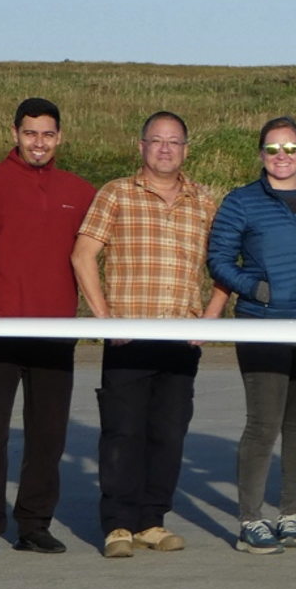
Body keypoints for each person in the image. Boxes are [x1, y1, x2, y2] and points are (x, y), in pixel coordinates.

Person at [71, 111, 226, 559]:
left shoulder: (204, 201)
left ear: (186, 150)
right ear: (141, 147)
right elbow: (84, 256)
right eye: (156, 141)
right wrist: (105, 318)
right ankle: (118, 524)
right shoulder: (116, 194)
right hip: (128, 340)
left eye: (174, 142)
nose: (165, 149)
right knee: (122, 432)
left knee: (169, 433)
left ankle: (152, 521)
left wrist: (210, 317)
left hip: (181, 340)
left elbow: (224, 266)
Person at [0, 97, 96, 561]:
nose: (39, 142)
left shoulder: (79, 190)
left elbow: (90, 256)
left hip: (55, 330)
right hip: (1, 330)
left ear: (60, 137)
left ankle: (34, 524)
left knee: (48, 433)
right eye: (31, 133)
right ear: (14, 133)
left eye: (48, 134)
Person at [206, 116, 296, 554]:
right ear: (261, 154)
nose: (280, 157)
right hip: (263, 324)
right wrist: (255, 288)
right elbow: (220, 259)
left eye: (289, 149)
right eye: (272, 149)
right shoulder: (242, 201)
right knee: (263, 425)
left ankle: (290, 514)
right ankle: (250, 520)